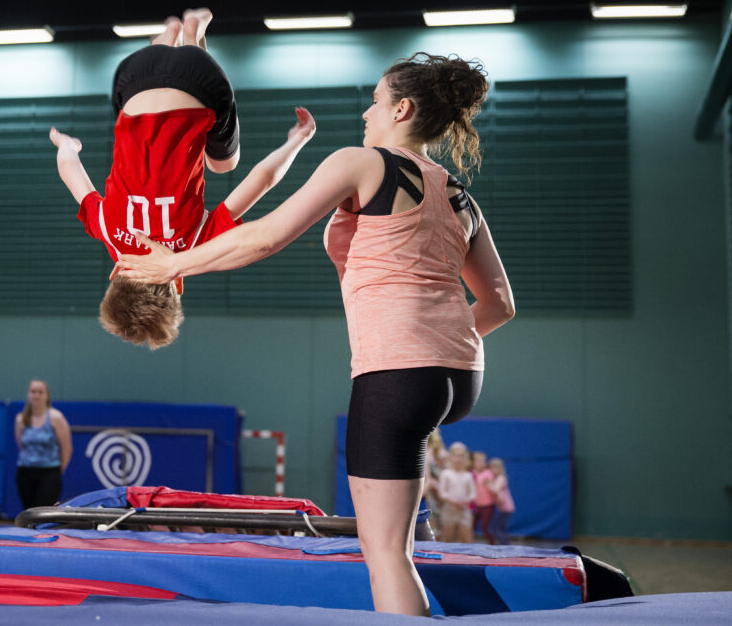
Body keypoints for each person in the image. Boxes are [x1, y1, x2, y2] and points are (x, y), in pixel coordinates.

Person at [116, 51, 515, 615]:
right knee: (398, 544)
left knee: (386, 556)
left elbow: (265, 237)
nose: (366, 113)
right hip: (458, 374)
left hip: (399, 373)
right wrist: (436, 342)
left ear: (401, 108)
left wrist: (172, 265)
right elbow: (499, 304)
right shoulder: (458, 194)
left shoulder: (362, 162)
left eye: (375, 101)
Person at [51, 8, 316, 349]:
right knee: (139, 120)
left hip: (199, 81)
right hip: (132, 76)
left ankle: (192, 35)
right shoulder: (106, 229)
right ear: (115, 273)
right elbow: (70, 170)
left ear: (177, 284)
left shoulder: (194, 246)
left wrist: (298, 139)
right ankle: (168, 35)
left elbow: (262, 179)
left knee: (224, 164)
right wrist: (66, 145)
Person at [14, 379, 73, 509]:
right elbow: (20, 444)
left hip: (49, 474)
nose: (36, 395)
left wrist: (57, 471)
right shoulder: (21, 419)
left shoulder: (56, 418)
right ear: (28, 394)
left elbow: (67, 449)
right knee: (28, 513)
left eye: (40, 392)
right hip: (24, 473)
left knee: (43, 514)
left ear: (47, 396)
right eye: (33, 392)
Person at [439, 442, 476, 543]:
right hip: (449, 510)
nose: (458, 459)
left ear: (465, 459)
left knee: (467, 539)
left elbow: (472, 493)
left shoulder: (468, 475)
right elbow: (442, 493)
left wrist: (465, 501)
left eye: (461, 456)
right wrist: (454, 502)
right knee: (448, 539)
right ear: (450, 457)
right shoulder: (446, 474)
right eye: (456, 456)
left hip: (464, 511)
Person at [486, 457, 515, 545]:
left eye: (497, 467)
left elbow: (495, 489)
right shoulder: (497, 478)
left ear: (501, 468)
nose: (494, 470)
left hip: (505, 508)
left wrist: (487, 484)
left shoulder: (501, 478)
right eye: (492, 467)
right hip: (503, 508)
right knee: (498, 528)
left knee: (495, 529)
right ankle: (505, 546)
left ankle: (506, 547)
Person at [472, 450, 496, 543]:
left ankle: (493, 545)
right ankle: (470, 545)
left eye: (483, 461)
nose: (480, 463)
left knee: (486, 528)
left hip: (487, 505)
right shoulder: (472, 473)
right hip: (476, 505)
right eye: (478, 461)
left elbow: (492, 487)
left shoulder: (488, 473)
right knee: (471, 526)